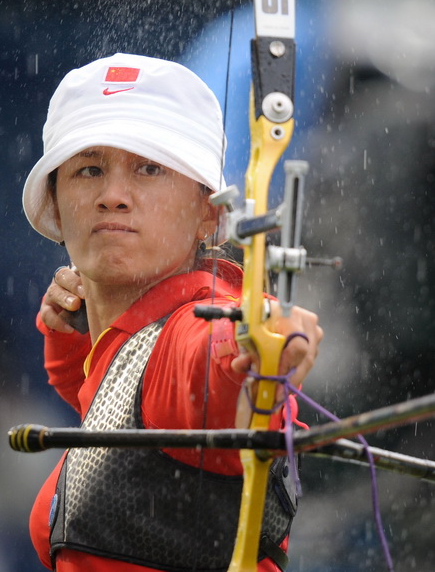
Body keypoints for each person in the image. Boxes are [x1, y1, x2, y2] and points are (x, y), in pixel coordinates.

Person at [22, 53, 322, 572]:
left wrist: (257, 341)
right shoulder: (130, 345)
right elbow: (108, 393)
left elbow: (210, 368)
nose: (113, 196)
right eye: (89, 169)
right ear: (56, 203)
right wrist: (75, 336)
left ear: (208, 212)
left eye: (149, 168)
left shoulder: (192, 330)